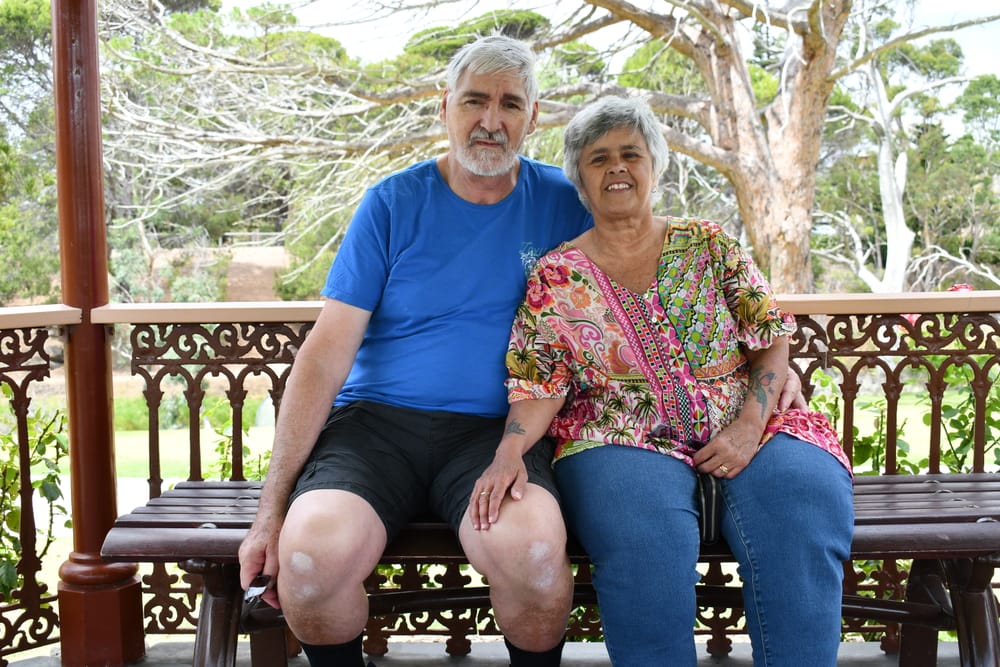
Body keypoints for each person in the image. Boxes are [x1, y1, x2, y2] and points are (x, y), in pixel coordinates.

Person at [237, 35, 591, 667]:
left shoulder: (565, 205)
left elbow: (639, 298)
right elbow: (325, 355)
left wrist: (765, 363)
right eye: (474, 101)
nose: (491, 120)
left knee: (536, 562)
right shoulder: (391, 204)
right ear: (444, 107)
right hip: (375, 428)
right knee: (309, 563)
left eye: (510, 104)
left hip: (499, 434)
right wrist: (270, 512)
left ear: (533, 117)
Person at [469, 95, 855, 666]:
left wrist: (752, 423)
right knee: (643, 543)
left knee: (803, 505)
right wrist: (509, 451)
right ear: (580, 178)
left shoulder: (708, 242)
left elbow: (769, 334)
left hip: (748, 421)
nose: (617, 167)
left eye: (632, 153)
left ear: (654, 166)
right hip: (619, 434)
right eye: (599, 159)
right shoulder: (556, 275)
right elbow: (539, 382)